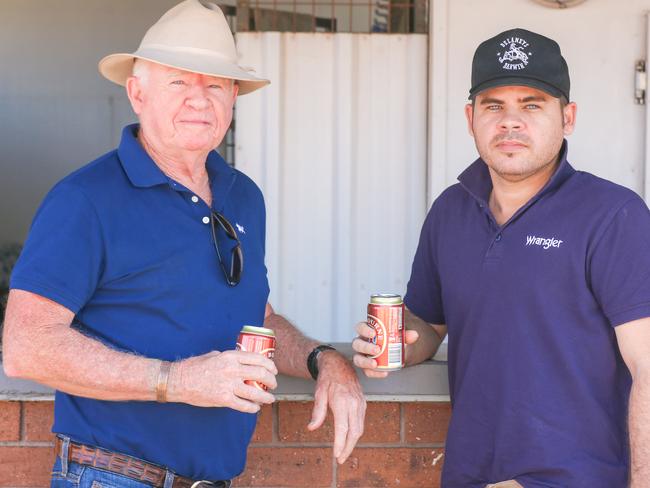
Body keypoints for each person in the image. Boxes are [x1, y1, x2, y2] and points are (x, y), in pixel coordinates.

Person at [2, 1, 365, 487]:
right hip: (112, 477)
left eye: (215, 84)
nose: (199, 99)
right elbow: (27, 347)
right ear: (138, 93)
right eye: (178, 81)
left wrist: (326, 361)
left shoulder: (244, 197)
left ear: (233, 97)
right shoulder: (85, 199)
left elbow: (257, 319)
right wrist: (175, 381)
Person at [353, 27, 650, 487]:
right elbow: (429, 326)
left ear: (567, 117)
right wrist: (392, 346)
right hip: (471, 473)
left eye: (531, 104)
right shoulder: (451, 211)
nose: (510, 122)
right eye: (494, 106)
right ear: (471, 117)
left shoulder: (613, 215)